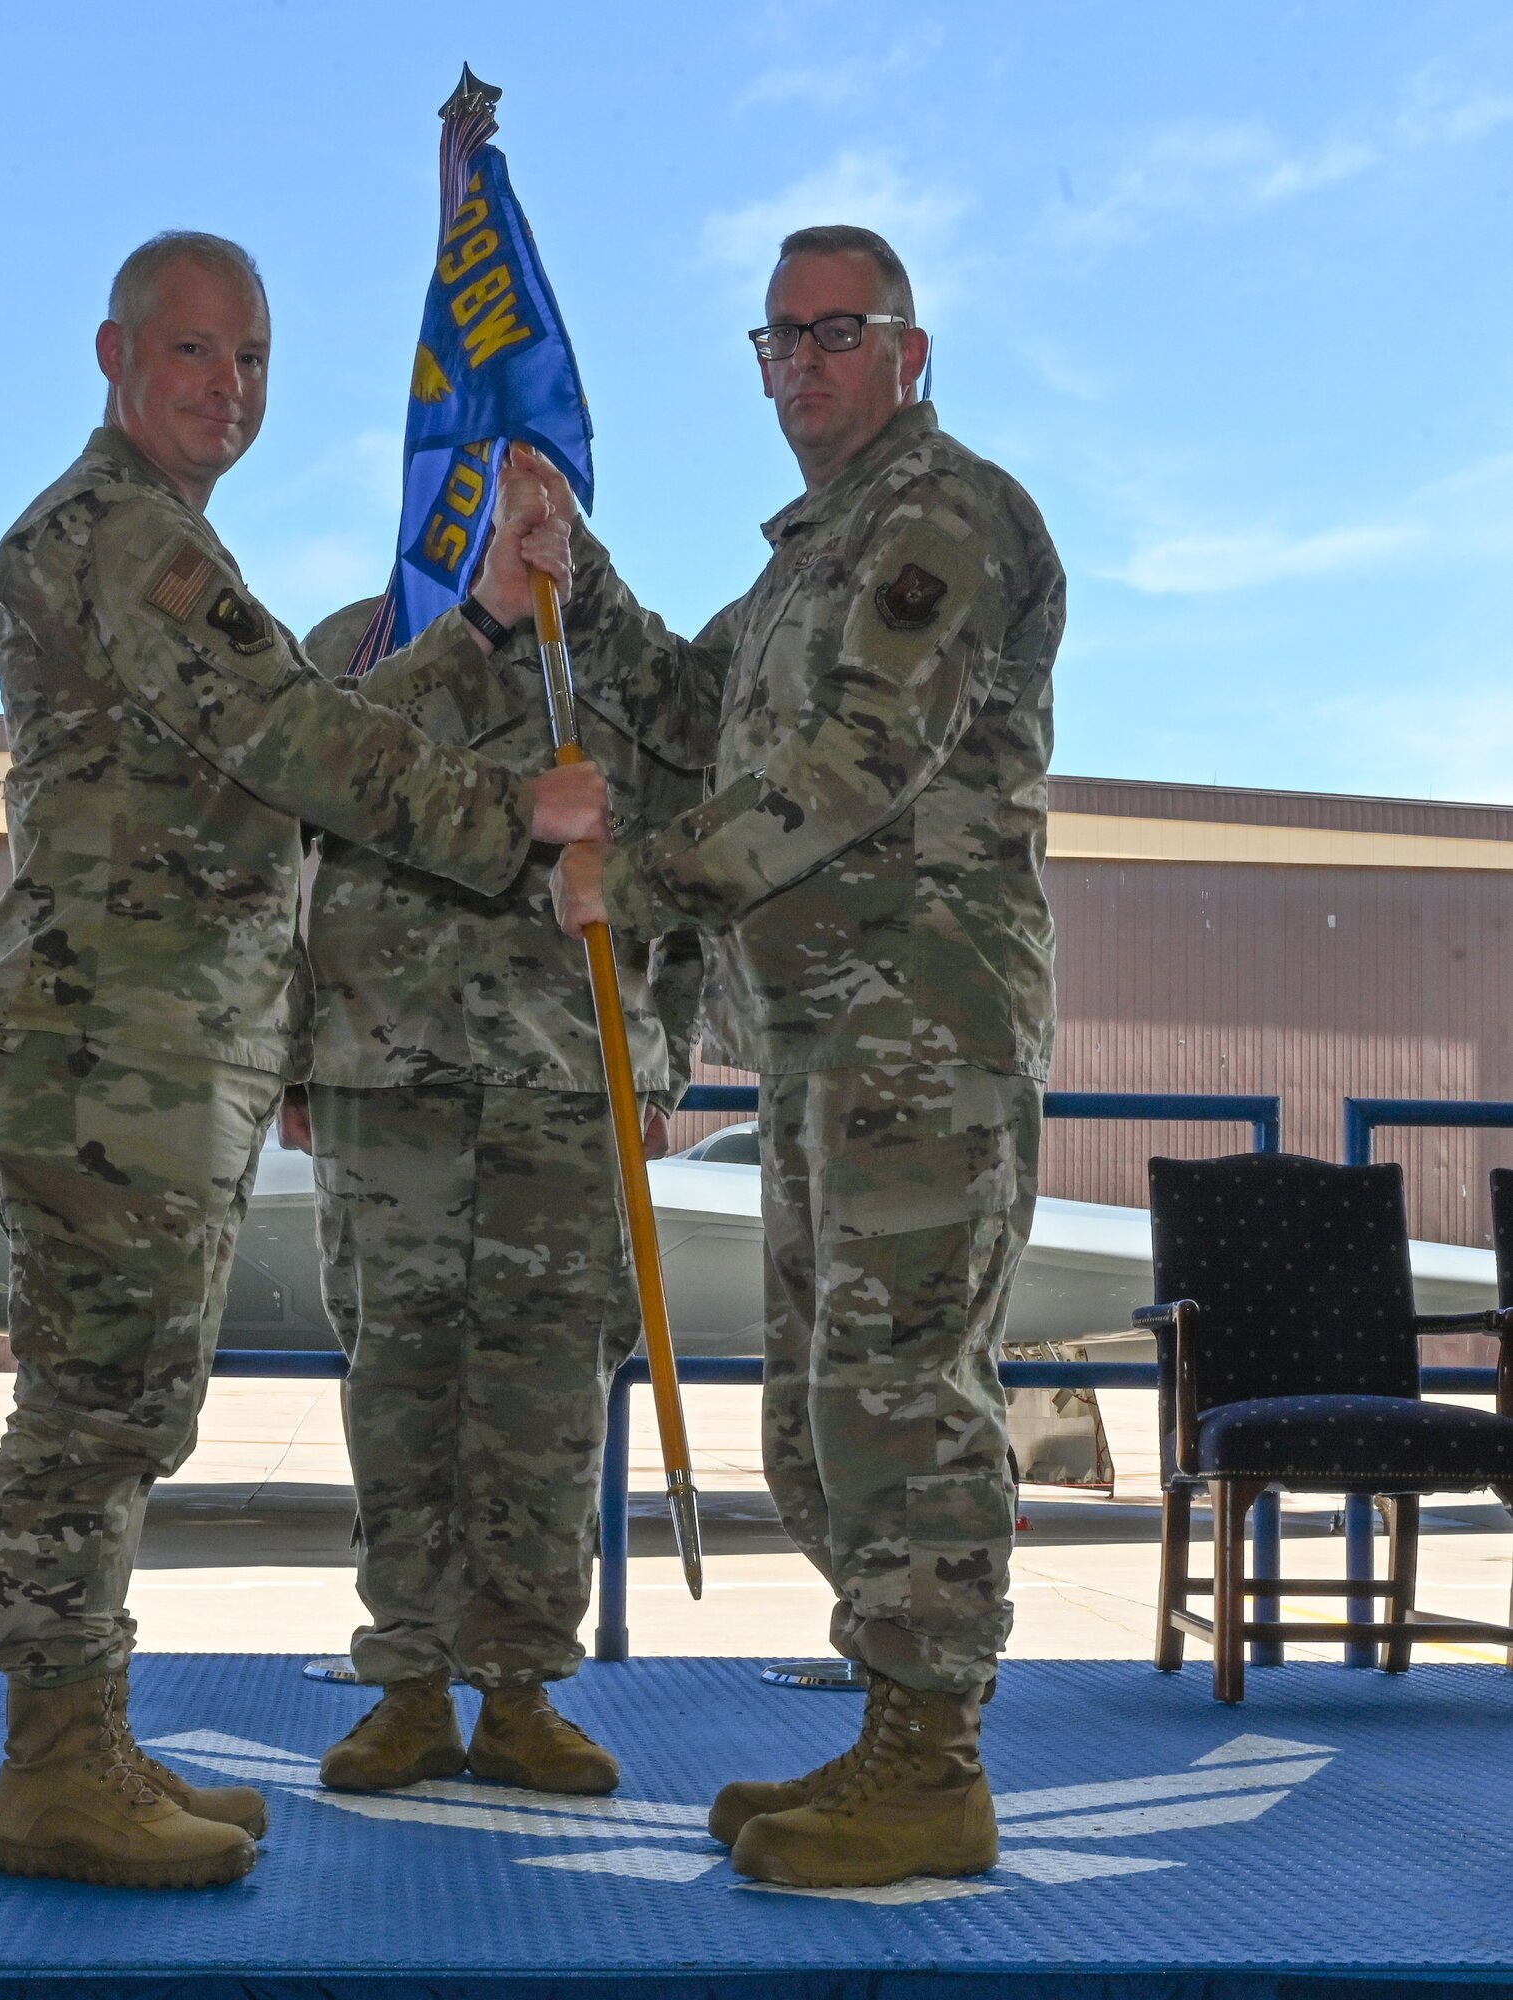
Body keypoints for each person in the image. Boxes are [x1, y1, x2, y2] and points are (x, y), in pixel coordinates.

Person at [0, 231, 609, 1891]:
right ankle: (50, 1767)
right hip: (115, 1043)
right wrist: (512, 809)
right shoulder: (122, 540)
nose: (226, 388)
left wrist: (475, 627)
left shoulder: (164, 543)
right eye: (193, 353)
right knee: (96, 1414)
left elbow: (296, 728)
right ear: (115, 356)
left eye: (250, 361)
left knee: (123, 1407)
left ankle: (78, 1737)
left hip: (156, 1044)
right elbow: (303, 739)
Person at [545, 224, 1063, 1889]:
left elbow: (853, 766)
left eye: (837, 331)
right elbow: (698, 707)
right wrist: (578, 577)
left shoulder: (942, 516)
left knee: (902, 1395)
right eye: (776, 341)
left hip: (921, 1029)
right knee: (826, 1412)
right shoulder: (803, 560)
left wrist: (628, 880)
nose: (803, 364)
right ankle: (892, 1736)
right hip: (817, 1036)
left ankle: (932, 1763)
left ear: (910, 352)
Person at [292, 476, 705, 1799]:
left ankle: (523, 1689)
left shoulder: (623, 672)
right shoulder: (356, 652)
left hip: (570, 1082)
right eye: (492, 489)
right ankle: (405, 1683)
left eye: (547, 494)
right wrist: (297, 1047)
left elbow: (690, 861)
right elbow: (303, 831)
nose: (521, 516)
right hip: (387, 1074)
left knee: (545, 1399)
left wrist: (662, 1053)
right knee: (398, 1388)